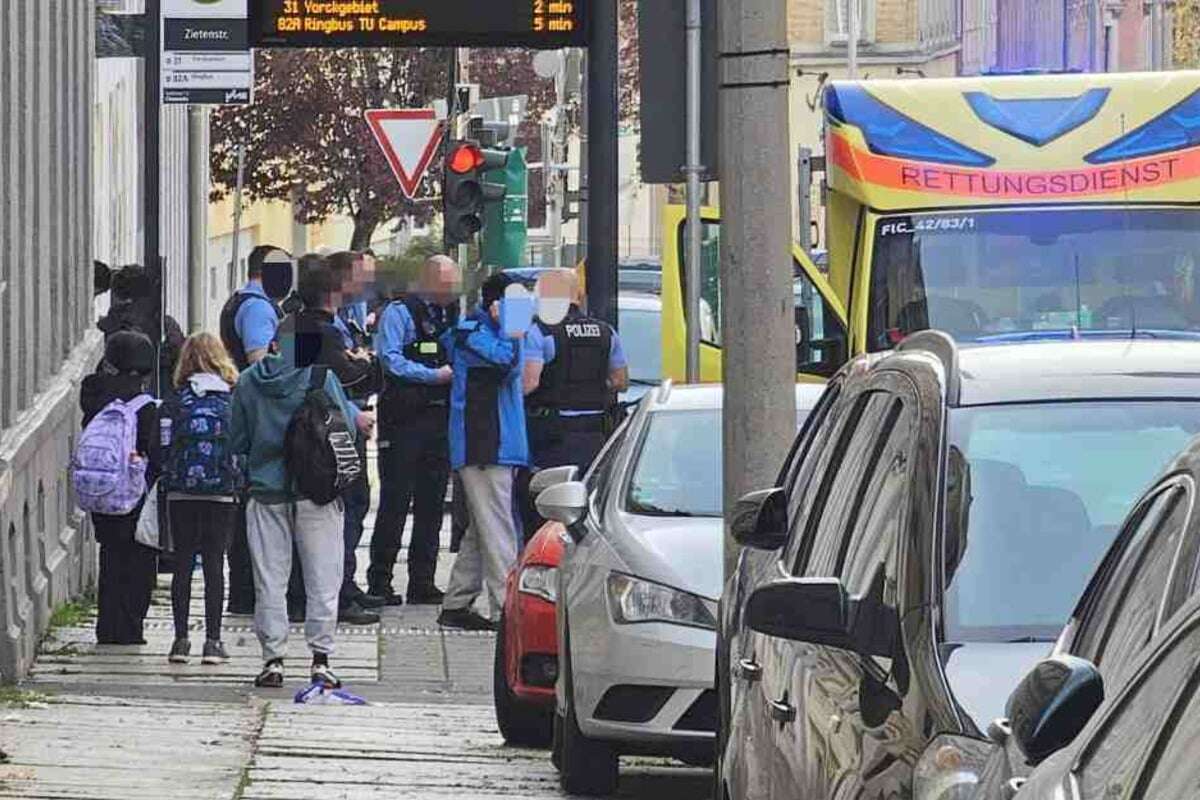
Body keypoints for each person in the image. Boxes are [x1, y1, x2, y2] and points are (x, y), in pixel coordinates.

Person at [229, 295, 372, 689]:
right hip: (316, 492)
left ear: (276, 342)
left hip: (266, 491)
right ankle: (320, 658)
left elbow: (236, 440)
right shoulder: (320, 378)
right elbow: (341, 427)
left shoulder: (247, 382)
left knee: (269, 578)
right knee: (323, 574)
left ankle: (273, 659)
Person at [281, 254, 382, 625]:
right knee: (345, 510)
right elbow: (346, 376)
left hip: (304, 430)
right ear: (333, 293)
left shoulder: (293, 324)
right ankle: (336, 592)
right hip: (330, 431)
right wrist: (367, 362)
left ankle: (309, 594)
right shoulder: (322, 331)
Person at [438, 273, 529, 631]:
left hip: (498, 444)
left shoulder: (493, 332)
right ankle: (506, 610)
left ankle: (457, 603)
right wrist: (511, 328)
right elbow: (506, 365)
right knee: (498, 530)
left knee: (482, 527)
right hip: (483, 445)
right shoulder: (469, 333)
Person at [368, 255, 460, 606]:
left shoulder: (448, 314)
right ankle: (380, 580)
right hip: (404, 419)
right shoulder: (399, 312)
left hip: (438, 419)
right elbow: (389, 359)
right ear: (428, 280)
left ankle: (422, 581)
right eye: (446, 284)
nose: (451, 292)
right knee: (395, 500)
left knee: (432, 503)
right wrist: (434, 375)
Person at [519, 269, 628, 535]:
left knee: (547, 508)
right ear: (578, 296)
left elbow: (529, 383)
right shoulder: (605, 332)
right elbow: (620, 381)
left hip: (552, 435)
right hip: (594, 435)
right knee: (586, 506)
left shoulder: (540, 332)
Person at [161, 333, 243, 665]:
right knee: (213, 565)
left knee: (182, 564)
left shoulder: (175, 399)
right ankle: (213, 642)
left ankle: (180, 641)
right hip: (221, 493)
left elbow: (162, 445)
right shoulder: (232, 399)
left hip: (181, 492)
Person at [219, 245, 289, 617]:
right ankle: (246, 593)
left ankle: (245, 592)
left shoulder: (242, 301)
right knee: (253, 511)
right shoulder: (260, 307)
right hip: (259, 412)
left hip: (248, 408)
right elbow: (260, 360)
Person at [79, 331, 161, 645]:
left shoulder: (95, 396)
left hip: (102, 492)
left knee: (110, 557)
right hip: (135, 495)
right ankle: (130, 628)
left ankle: (107, 626)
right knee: (138, 560)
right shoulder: (146, 407)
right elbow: (154, 453)